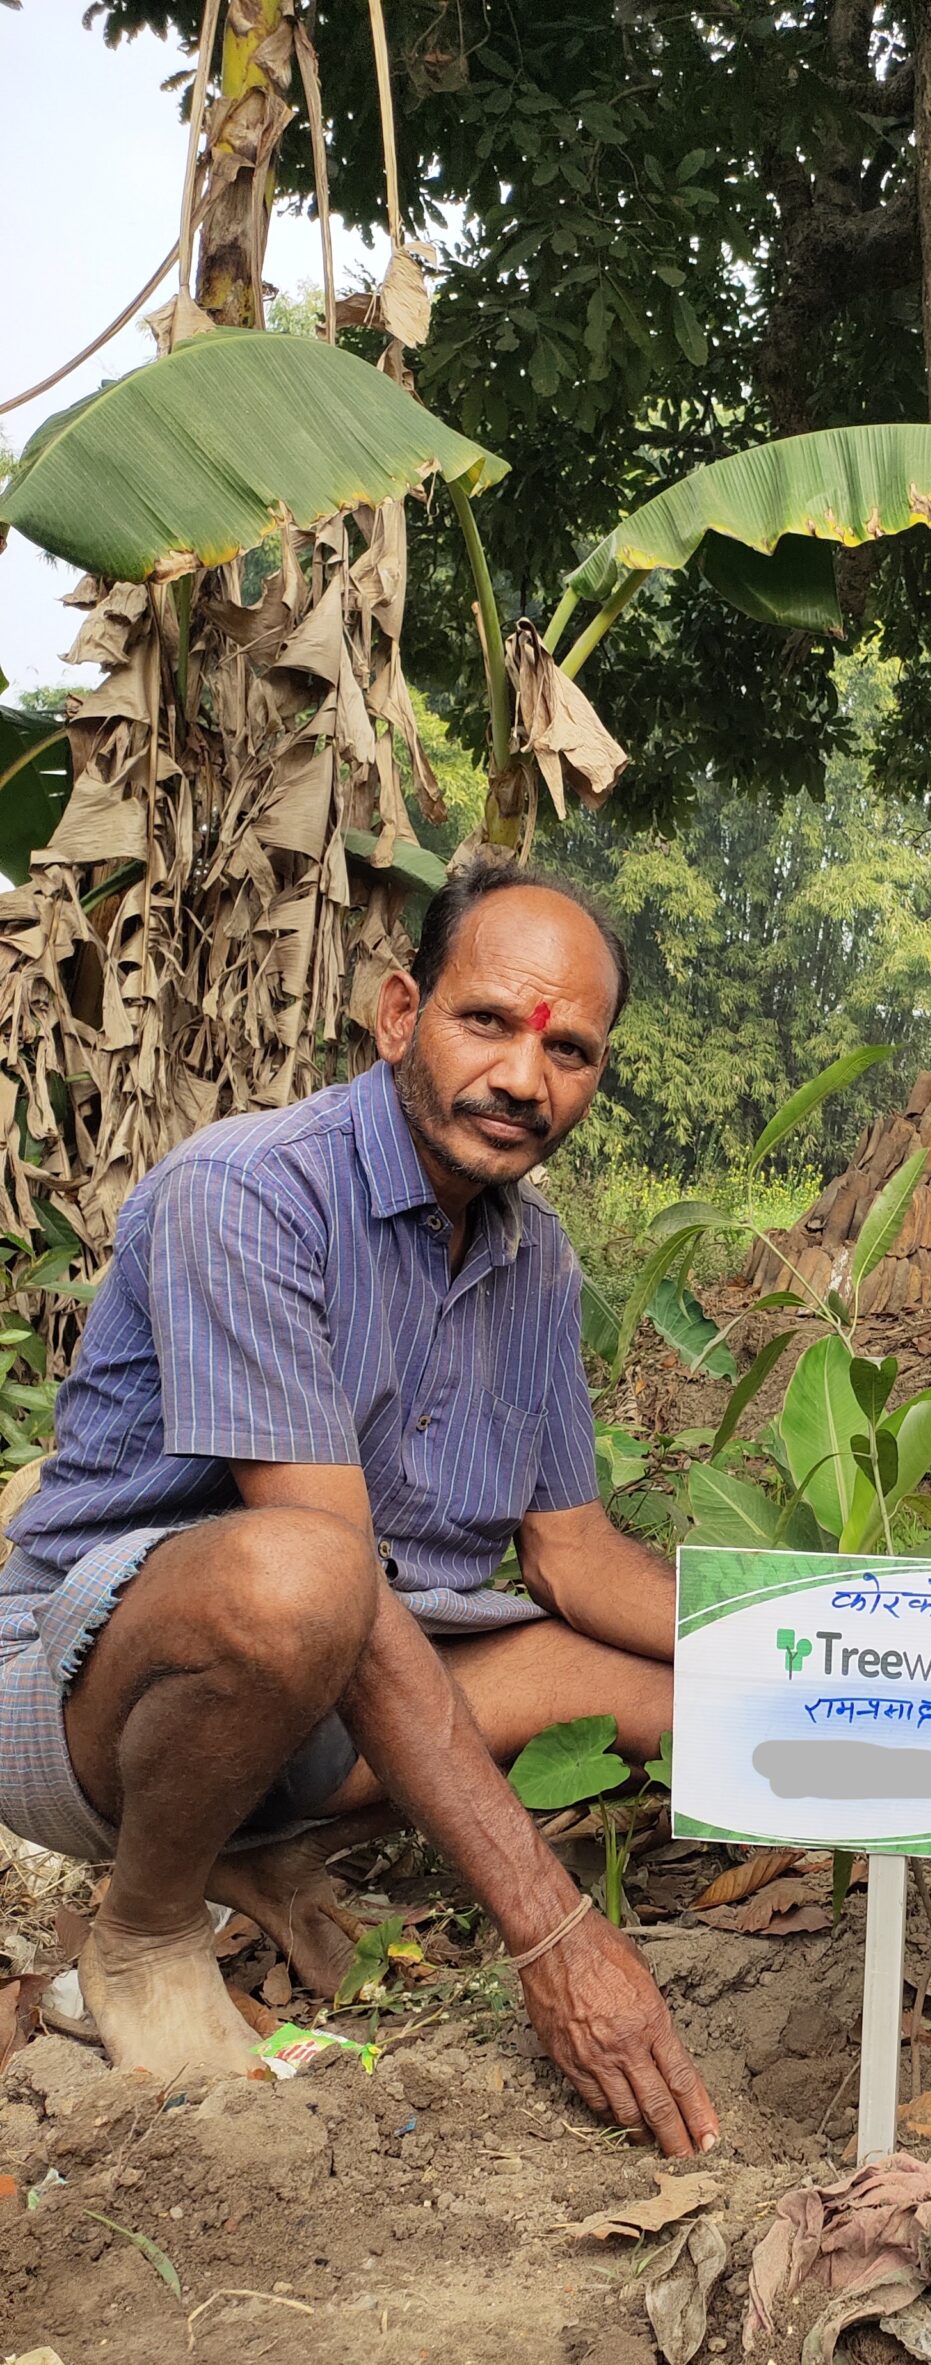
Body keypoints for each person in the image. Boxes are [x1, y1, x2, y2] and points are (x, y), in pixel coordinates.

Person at [0, 859, 718, 2157]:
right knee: (305, 1582)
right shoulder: (251, 1194)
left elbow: (572, 1554)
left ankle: (242, 1842)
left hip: (327, 1690)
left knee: (691, 1696)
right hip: (79, 1688)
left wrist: (808, 1642)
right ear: (401, 1016)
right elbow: (330, 1581)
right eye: (488, 1021)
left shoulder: (531, 1253)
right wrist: (554, 1932)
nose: (523, 1077)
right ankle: (147, 1924)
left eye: (570, 1051)